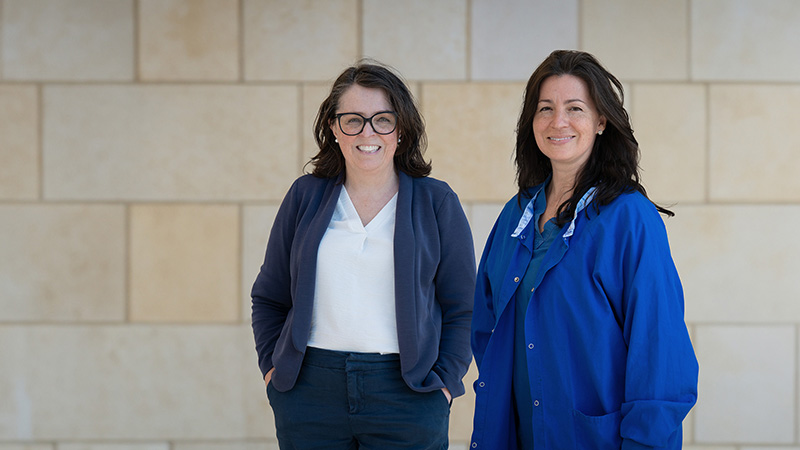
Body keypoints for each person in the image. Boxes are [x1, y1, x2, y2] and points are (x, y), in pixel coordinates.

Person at [470, 50, 699, 449]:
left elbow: (660, 351)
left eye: (575, 108)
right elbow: (486, 326)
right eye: (545, 109)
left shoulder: (629, 218)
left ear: (601, 121)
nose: (558, 122)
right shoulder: (517, 214)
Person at [251, 60, 476, 450]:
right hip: (310, 393)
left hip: (408, 393)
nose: (367, 132)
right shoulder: (306, 196)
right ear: (334, 129)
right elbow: (269, 296)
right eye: (352, 120)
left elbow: (464, 306)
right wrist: (273, 371)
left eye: (382, 119)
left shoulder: (435, 201)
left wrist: (443, 382)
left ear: (400, 129)